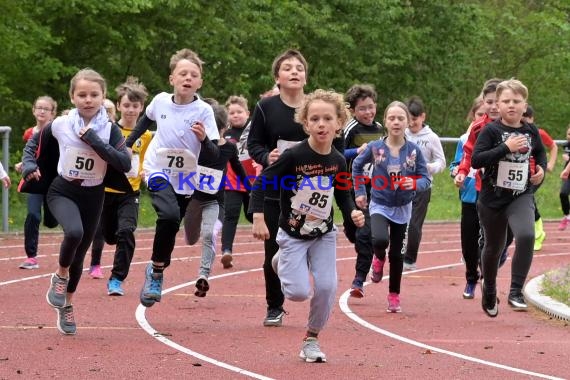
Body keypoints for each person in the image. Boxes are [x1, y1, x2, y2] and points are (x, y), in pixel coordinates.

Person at [250, 89, 364, 363]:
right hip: (292, 233)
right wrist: (257, 215)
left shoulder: (337, 160)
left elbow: (343, 193)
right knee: (298, 293)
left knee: (327, 287)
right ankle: (280, 261)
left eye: (327, 118)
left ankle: (311, 338)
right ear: (306, 123)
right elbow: (263, 181)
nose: (321, 124)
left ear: (339, 123)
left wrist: (352, 213)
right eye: (315, 119)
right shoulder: (294, 156)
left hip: (323, 233)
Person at [21, 68, 132, 334]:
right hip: (63, 190)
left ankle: (67, 305)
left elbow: (125, 162)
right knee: (74, 232)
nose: (88, 99)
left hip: (93, 195)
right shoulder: (59, 124)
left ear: (103, 96)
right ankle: (59, 275)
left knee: (80, 256)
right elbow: (32, 146)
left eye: (94, 94)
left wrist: (95, 142)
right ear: (72, 97)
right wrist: (28, 165)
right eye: (82, 94)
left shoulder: (109, 130)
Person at [123, 48, 219, 308]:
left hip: (186, 177)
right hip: (157, 168)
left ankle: (158, 264)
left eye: (194, 75)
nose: (188, 78)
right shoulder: (161, 101)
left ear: (200, 82)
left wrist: (202, 139)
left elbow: (213, 153)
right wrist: (128, 144)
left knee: (172, 224)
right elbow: (145, 120)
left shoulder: (204, 111)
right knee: (168, 216)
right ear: (172, 79)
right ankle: (156, 272)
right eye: (183, 73)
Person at [472, 79, 546, 317]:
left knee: (526, 235)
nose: (511, 105)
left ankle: (516, 291)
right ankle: (490, 287)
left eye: (516, 101)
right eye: (506, 101)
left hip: (520, 195)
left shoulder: (530, 130)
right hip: (492, 198)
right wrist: (506, 147)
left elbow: (540, 153)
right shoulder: (490, 130)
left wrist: (541, 171)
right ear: (499, 105)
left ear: (525, 105)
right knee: (494, 247)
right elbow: (477, 160)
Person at [247, 49, 309, 327]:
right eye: (288, 68)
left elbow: (333, 139)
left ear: (305, 77)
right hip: (275, 187)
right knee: (272, 251)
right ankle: (274, 305)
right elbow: (254, 144)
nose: (294, 72)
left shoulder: (315, 107)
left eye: (299, 68)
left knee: (306, 247)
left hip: (309, 189)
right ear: (278, 77)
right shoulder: (265, 107)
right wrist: (265, 157)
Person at [352, 101, 430, 312]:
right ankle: (378, 258)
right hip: (379, 204)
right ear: (385, 122)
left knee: (397, 255)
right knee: (379, 239)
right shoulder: (375, 147)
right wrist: (360, 193)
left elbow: (425, 178)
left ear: (407, 122)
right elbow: (357, 167)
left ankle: (394, 294)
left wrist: (413, 183)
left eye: (401, 118)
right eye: (392, 118)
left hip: (403, 207)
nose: (396, 122)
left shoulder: (413, 151)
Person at [87, 77, 152, 294]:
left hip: (129, 193)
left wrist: (147, 172)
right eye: (126, 105)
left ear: (141, 108)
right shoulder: (108, 131)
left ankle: (116, 279)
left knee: (126, 231)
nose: (130, 110)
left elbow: (153, 159)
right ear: (118, 106)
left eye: (135, 106)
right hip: (105, 192)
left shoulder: (148, 136)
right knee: (109, 236)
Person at [184, 99, 248, 297]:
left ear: (224, 128)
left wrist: (252, 191)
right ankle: (191, 235)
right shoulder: (197, 146)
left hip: (215, 200)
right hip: (192, 200)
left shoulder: (229, 148)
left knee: (209, 233)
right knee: (191, 238)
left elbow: (238, 169)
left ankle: (203, 276)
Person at [341, 84, 385, 298]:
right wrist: (355, 151)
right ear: (352, 110)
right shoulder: (350, 129)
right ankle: (356, 236)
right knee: (354, 231)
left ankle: (359, 279)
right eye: (362, 109)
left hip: (373, 189)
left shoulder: (379, 128)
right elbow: (335, 152)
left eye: (371, 107)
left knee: (365, 233)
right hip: (349, 186)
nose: (368, 112)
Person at [402, 96, 446, 270]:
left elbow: (441, 162)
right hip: (400, 184)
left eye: (414, 119)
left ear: (422, 117)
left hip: (422, 185)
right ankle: (396, 253)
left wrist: (427, 167)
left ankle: (410, 259)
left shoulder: (431, 138)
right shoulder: (401, 134)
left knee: (413, 223)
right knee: (397, 221)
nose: (411, 123)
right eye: (408, 119)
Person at [15, 96, 57, 269]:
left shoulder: (57, 131)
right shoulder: (29, 133)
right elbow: (30, 154)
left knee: (51, 221)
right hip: (35, 179)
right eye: (38, 108)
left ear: (52, 113)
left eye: (45, 109)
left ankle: (53, 220)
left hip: (54, 180)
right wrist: (24, 165)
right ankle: (31, 256)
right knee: (33, 215)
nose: (41, 111)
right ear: (33, 110)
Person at [449, 96, 485, 299]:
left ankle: (488, 281)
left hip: (490, 198)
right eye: (479, 114)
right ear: (473, 116)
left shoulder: (497, 137)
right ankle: (471, 279)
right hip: (469, 197)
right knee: (469, 243)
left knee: (489, 241)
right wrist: (457, 173)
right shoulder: (464, 140)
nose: (482, 118)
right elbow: (454, 165)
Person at [220, 95, 255, 269]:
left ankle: (278, 246)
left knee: (253, 215)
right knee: (230, 215)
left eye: (239, 112)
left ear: (247, 113)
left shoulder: (254, 131)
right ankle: (226, 251)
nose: (235, 115)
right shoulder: (224, 134)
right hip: (233, 181)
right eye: (232, 113)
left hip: (254, 181)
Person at [521, 105, 557, 251]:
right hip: (520, 174)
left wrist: (551, 164)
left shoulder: (538, 132)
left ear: (532, 118)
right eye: (523, 119)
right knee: (525, 199)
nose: (526, 122)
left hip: (536, 173)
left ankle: (538, 233)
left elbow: (553, 146)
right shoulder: (515, 131)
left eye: (528, 119)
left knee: (526, 197)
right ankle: (535, 231)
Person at [558, 125, 570, 230]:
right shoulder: (566, 145)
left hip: (567, 172)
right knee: (563, 193)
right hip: (568, 176)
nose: (569, 136)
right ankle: (567, 216)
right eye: (568, 134)